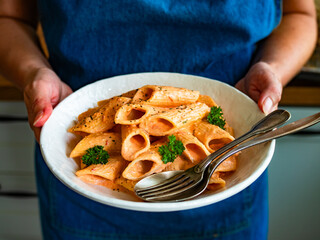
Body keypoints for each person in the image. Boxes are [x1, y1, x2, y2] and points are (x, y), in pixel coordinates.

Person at [0, 0, 317, 239]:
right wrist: (34, 72)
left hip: (221, 180)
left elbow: (299, 15)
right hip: (81, 189)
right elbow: (10, 17)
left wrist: (273, 68)